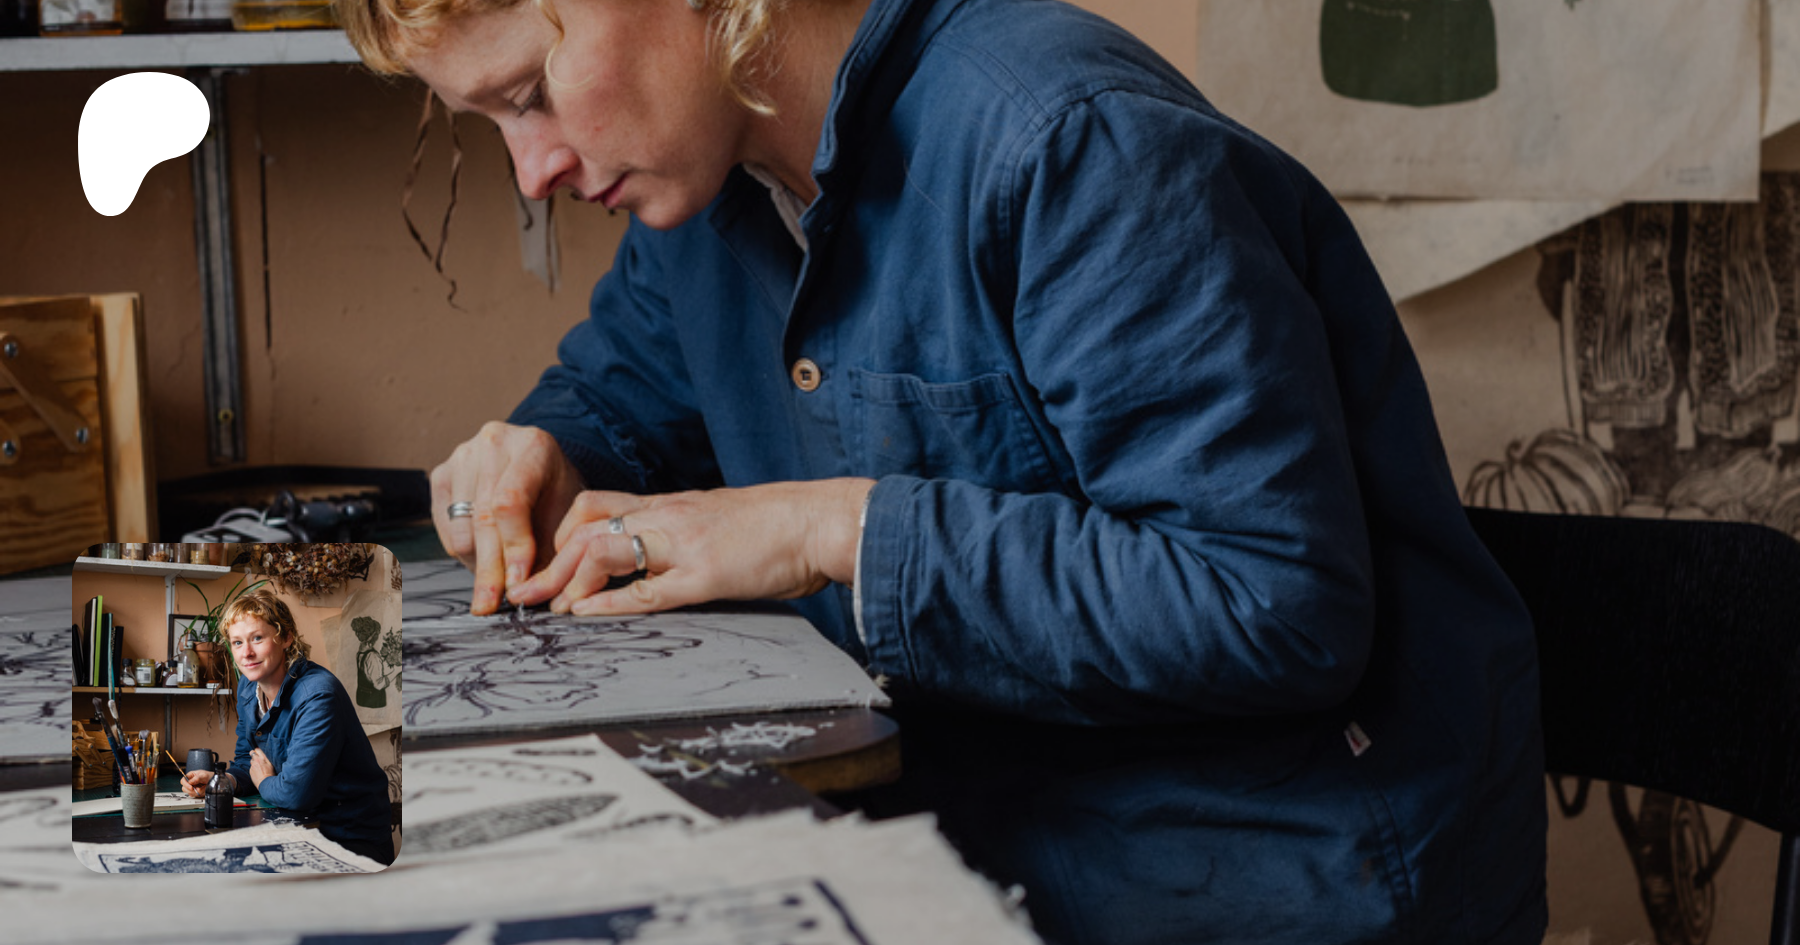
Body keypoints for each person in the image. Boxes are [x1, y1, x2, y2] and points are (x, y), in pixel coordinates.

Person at [336, 0, 1547, 941]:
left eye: (531, 94)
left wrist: (827, 531)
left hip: (1266, 886)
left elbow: (1269, 603)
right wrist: (539, 451)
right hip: (960, 847)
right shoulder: (704, 187)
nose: (533, 171)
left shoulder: (1075, 144)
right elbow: (622, 397)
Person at [180, 589, 394, 867]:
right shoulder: (248, 686)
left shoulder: (318, 695)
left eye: (257, 638)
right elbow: (247, 761)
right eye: (237, 642)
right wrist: (223, 782)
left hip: (348, 839)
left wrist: (264, 782)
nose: (246, 653)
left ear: (286, 637)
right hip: (295, 830)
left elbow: (296, 793)